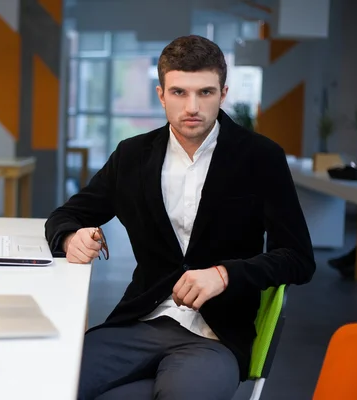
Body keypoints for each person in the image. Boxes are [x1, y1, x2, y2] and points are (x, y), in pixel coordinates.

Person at [45, 35, 316, 400]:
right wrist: (69, 237)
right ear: (161, 94)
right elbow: (67, 214)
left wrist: (226, 274)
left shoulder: (260, 157)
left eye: (205, 92)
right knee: (48, 385)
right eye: (179, 93)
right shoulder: (132, 156)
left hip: (215, 337)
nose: (192, 106)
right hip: (138, 324)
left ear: (223, 93)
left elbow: (299, 258)